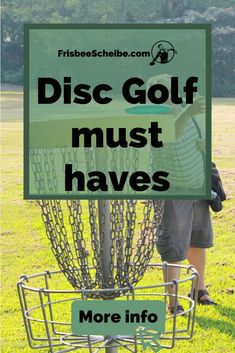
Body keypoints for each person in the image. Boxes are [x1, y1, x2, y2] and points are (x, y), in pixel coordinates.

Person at [147, 74, 216, 314]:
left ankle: (199, 290)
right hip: (172, 190)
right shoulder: (155, 117)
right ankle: (173, 303)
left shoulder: (186, 113)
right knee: (174, 247)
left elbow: (194, 140)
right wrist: (189, 112)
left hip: (196, 188)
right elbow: (170, 134)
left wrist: (202, 146)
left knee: (198, 241)